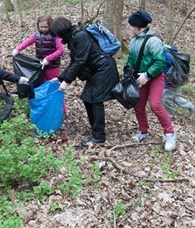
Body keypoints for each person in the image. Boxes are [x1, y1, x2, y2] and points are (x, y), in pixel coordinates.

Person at [50, 17, 119, 147]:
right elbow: (74, 61)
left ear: (61, 32)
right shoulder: (73, 37)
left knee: (96, 99)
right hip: (97, 70)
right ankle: (95, 129)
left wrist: (67, 81)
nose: (57, 37)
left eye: (57, 34)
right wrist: (60, 78)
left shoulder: (80, 36)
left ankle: (99, 136)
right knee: (87, 98)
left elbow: (80, 61)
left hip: (104, 68)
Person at [126, 10, 178, 152]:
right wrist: (128, 69)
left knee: (155, 105)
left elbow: (160, 62)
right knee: (138, 105)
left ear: (138, 26)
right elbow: (131, 59)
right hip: (140, 78)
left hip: (154, 77)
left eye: (131, 26)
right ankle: (143, 131)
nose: (130, 28)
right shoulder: (134, 41)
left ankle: (170, 133)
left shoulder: (153, 41)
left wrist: (148, 75)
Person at [12, 15, 65, 82]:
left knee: (53, 84)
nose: (43, 29)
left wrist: (48, 59)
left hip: (53, 66)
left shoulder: (55, 36)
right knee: (41, 84)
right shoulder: (36, 35)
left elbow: (61, 50)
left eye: (46, 27)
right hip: (40, 65)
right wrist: (17, 49)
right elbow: (28, 41)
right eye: (41, 27)